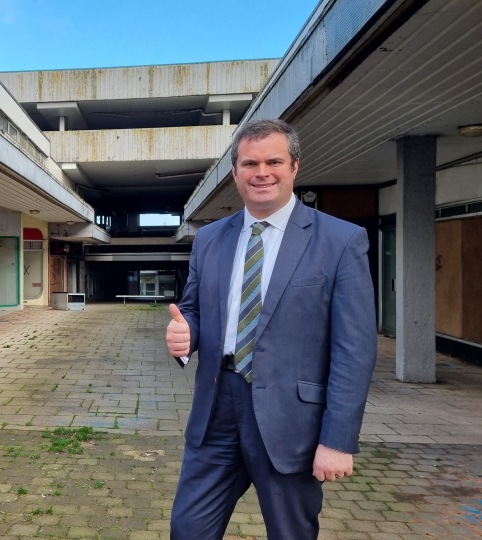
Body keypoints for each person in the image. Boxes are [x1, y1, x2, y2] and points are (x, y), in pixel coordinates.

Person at [166, 119, 377, 540]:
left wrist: (338, 440)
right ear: (236, 174)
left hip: (292, 422)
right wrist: (184, 335)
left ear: (295, 167)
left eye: (273, 161)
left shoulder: (341, 241)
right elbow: (192, 309)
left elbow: (354, 351)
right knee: (187, 529)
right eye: (250, 163)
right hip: (216, 411)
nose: (261, 172)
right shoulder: (209, 239)